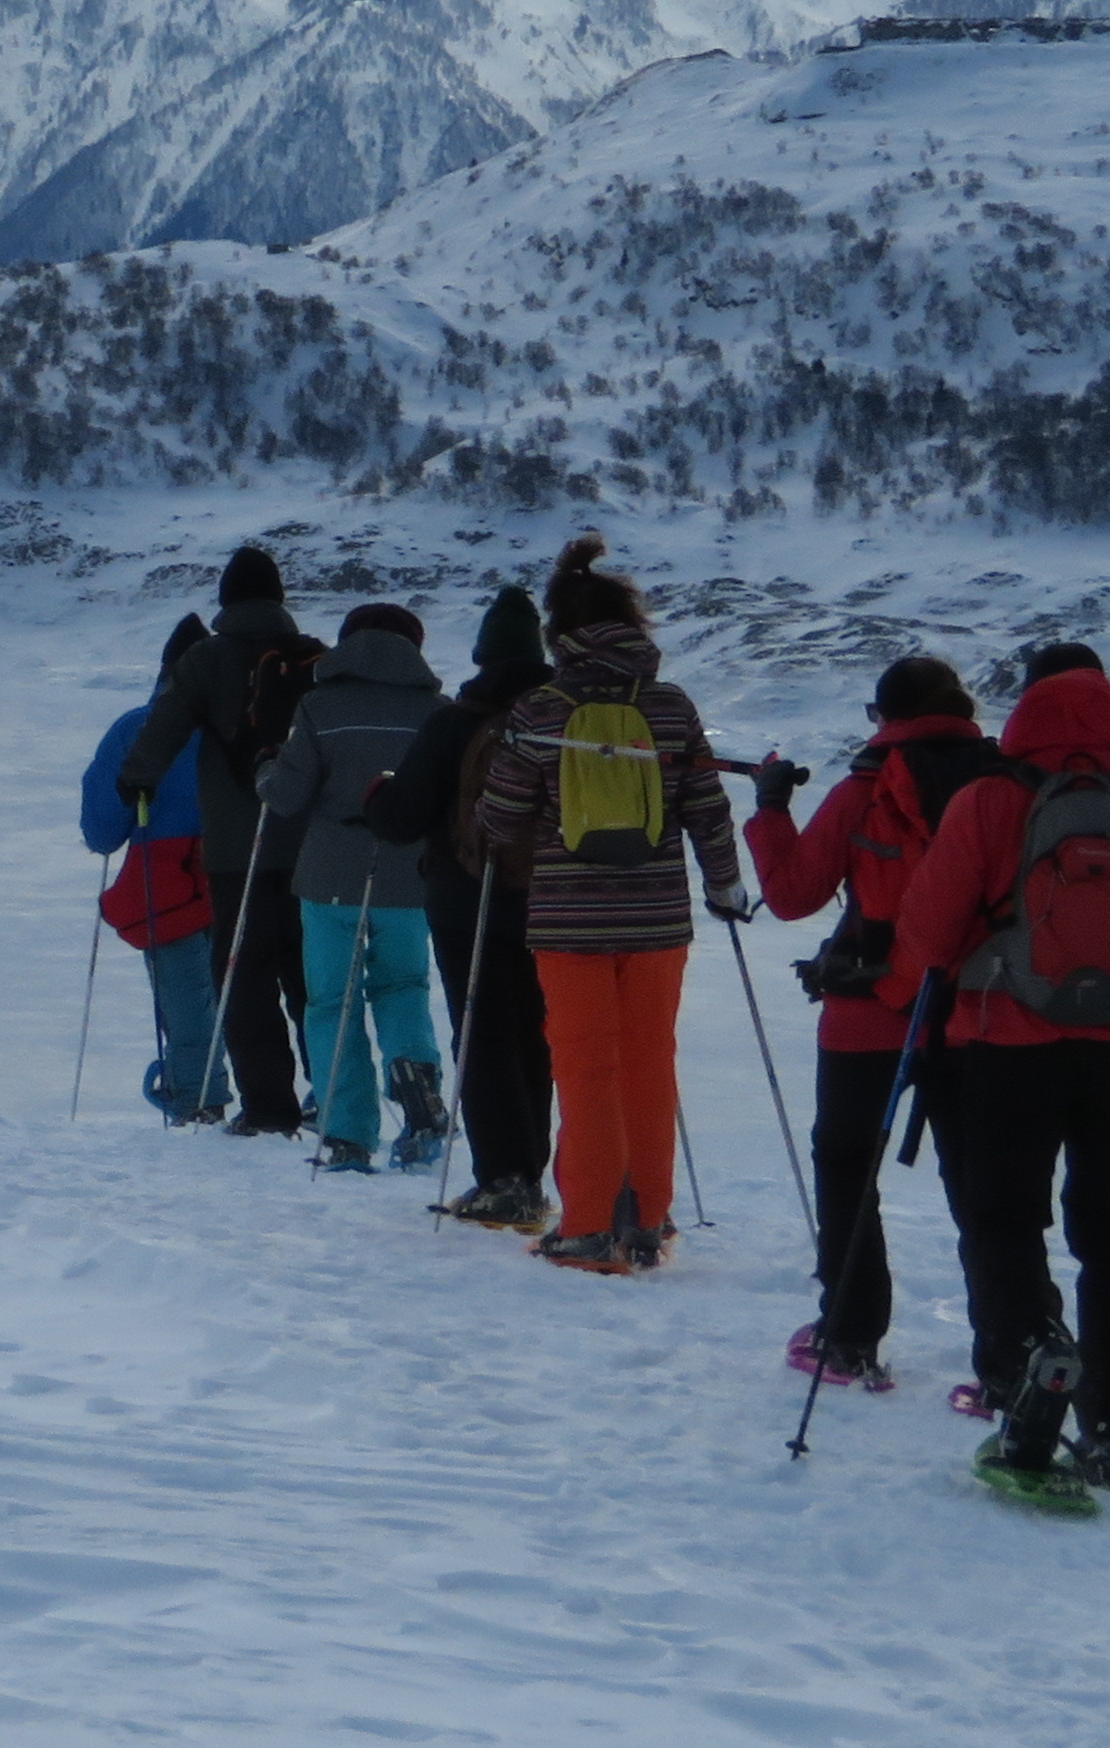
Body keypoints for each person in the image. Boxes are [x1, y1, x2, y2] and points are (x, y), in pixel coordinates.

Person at [886, 643, 1110, 1485]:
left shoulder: (989, 799)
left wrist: (917, 996)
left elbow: (928, 934)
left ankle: (1031, 1368)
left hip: (1006, 1049)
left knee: (1005, 1220)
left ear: (1026, 707)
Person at [464, 535, 747, 1271]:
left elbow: (502, 819)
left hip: (568, 920)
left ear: (560, 632)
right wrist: (724, 884)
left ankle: (589, 1225)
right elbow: (707, 807)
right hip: (659, 920)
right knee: (650, 1061)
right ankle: (646, 1220)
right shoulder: (670, 706)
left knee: (585, 1065)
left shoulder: (541, 709)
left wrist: (493, 821)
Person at [740, 658, 1009, 1387]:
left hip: (869, 1010)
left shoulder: (866, 787)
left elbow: (793, 894)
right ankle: (1008, 1359)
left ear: (886, 716)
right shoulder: (1004, 785)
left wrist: (770, 808)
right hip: (976, 1012)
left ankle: (850, 1334)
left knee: (847, 1168)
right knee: (979, 1186)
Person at [119, 547, 314, 1132]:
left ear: (226, 599)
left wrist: (137, 779)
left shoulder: (205, 659)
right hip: (307, 848)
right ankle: (335, 1099)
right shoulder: (311, 658)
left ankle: (268, 1108)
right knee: (313, 983)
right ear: (278, 597)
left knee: (245, 978)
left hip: (232, 851)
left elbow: (165, 725)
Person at [259, 601, 449, 1169]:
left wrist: (265, 769)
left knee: (331, 1002)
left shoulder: (320, 706)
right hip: (410, 876)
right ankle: (415, 1075)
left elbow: (287, 795)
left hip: (329, 876)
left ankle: (347, 1133)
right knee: (403, 986)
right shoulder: (436, 711)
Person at [393, 585, 557, 1225]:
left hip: (467, 901)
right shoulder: (562, 722)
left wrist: (379, 799)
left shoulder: (453, 722)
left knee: (483, 1033)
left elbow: (404, 817)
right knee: (536, 1034)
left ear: (483, 655)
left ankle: (504, 1180)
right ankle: (532, 1173)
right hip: (551, 901)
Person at [82, 620, 226, 1123]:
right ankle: (265, 1104)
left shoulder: (135, 729)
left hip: (167, 885)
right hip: (238, 872)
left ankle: (197, 1101)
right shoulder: (244, 728)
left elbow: (102, 831)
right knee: (240, 995)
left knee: (186, 1000)